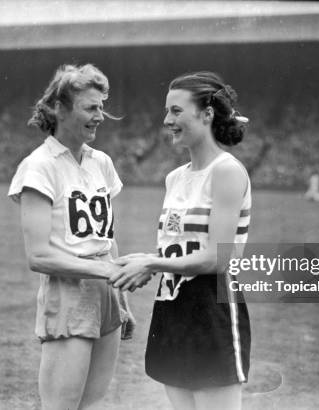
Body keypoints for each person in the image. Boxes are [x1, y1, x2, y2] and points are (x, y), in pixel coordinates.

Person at [110, 72, 251, 410]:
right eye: (167, 111)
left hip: (211, 306)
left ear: (207, 114)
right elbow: (180, 246)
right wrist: (146, 259)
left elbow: (218, 259)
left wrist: (154, 263)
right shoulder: (174, 178)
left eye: (175, 111)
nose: (166, 120)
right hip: (172, 305)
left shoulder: (227, 171)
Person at [7, 63, 133, 410]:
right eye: (91, 107)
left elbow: (107, 238)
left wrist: (121, 298)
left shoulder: (102, 162)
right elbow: (39, 257)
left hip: (106, 293)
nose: (100, 116)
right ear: (60, 109)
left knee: (92, 404)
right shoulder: (39, 166)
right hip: (69, 293)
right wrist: (106, 272)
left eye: (101, 107)